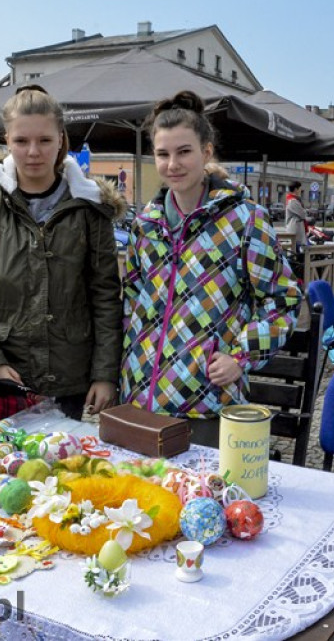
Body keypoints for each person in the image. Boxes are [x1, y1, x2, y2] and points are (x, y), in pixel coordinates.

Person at [121, 90, 301, 446]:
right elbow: (130, 301)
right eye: (163, 154)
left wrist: (240, 356)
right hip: (139, 398)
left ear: (206, 152)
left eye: (184, 151)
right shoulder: (146, 224)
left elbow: (284, 302)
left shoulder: (245, 220)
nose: (173, 164)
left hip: (206, 402)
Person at [0, 85, 125, 419]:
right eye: (21, 141)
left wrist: (105, 373)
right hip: (1, 379)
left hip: (72, 380)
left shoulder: (89, 207)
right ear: (6, 140)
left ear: (61, 139)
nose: (33, 152)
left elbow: (105, 295)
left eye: (44, 140)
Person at [284, 180, 309, 250]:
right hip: (295, 229)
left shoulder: (294, 199)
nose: (300, 191)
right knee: (295, 249)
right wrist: (305, 211)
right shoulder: (292, 201)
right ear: (296, 189)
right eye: (300, 189)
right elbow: (303, 214)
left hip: (297, 228)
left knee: (297, 248)